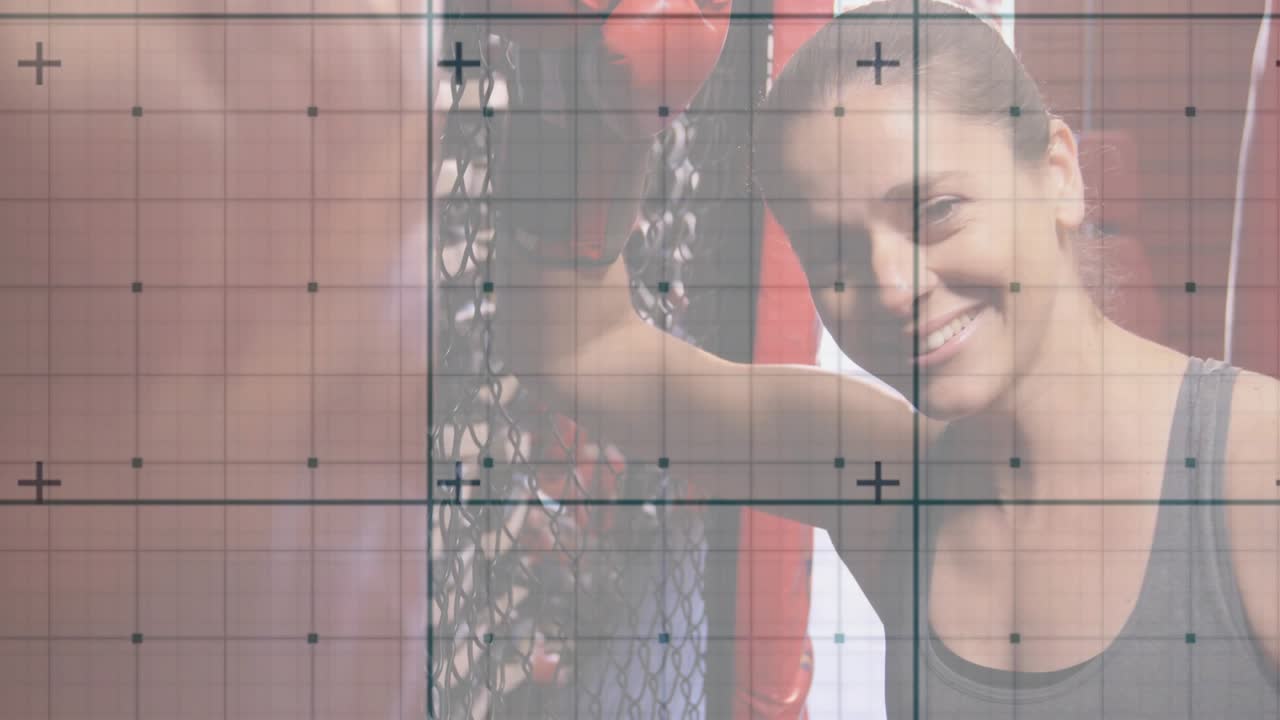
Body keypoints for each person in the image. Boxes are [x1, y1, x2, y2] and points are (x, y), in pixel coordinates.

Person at [506, 0, 1280, 715]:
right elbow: (584, 350)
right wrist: (598, 111)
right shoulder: (882, 485)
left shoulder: (1254, 474)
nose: (892, 286)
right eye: (834, 254)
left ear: (1058, 175)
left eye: (935, 211)